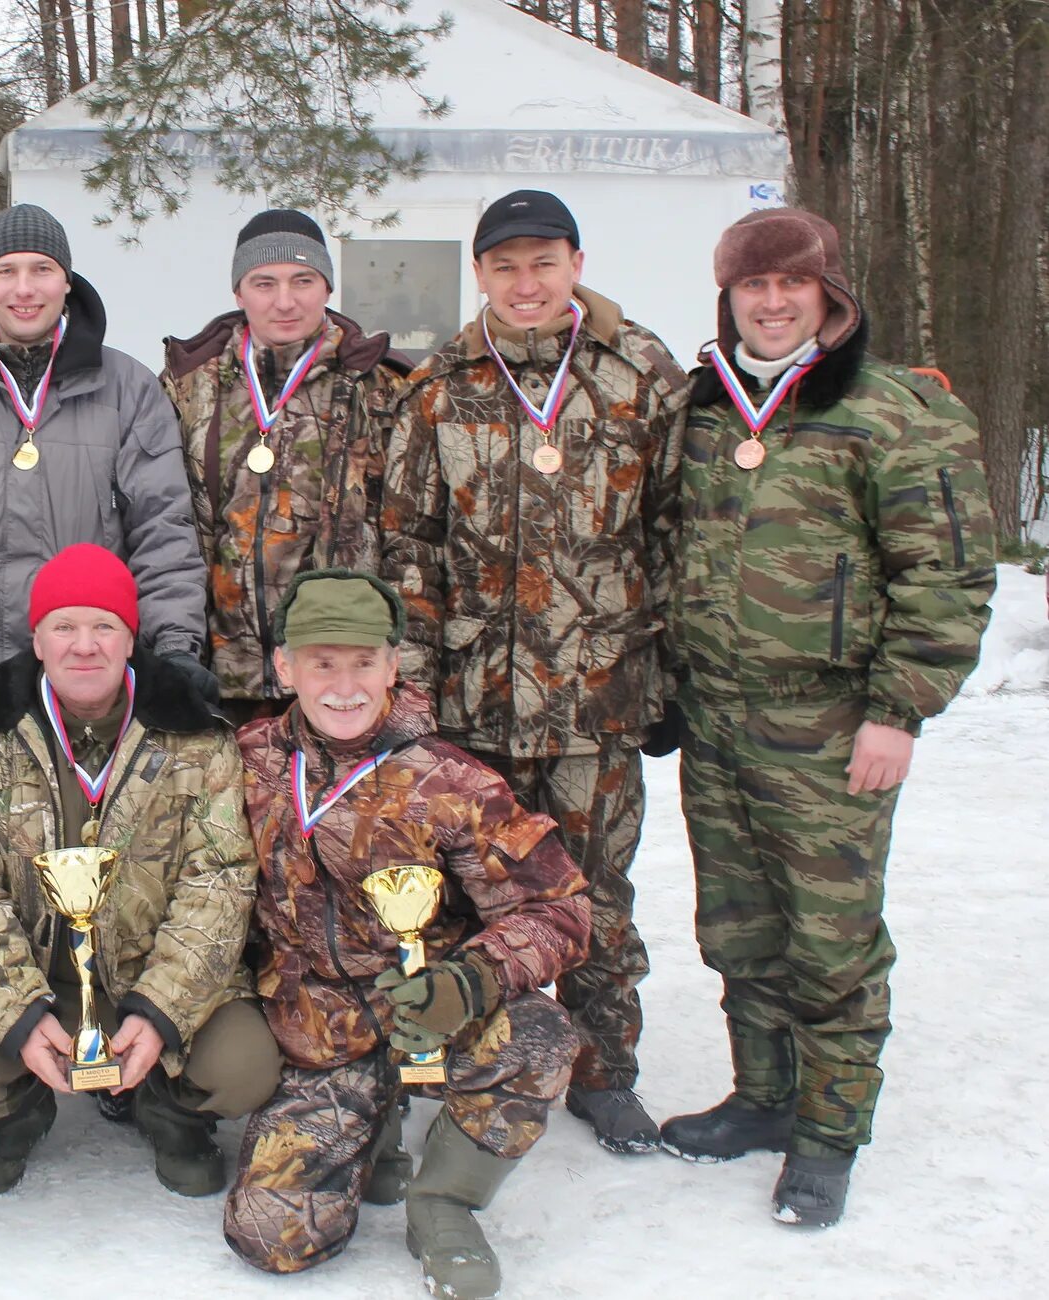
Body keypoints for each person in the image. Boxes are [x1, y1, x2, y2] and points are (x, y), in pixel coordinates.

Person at [663, 207, 995, 1227]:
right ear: (729, 298)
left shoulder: (894, 411)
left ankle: (828, 1131)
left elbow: (946, 577)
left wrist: (899, 710)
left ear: (829, 294)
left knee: (832, 940)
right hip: (718, 719)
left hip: (832, 724)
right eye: (753, 287)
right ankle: (764, 1096)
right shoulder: (705, 410)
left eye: (791, 286)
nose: (771, 304)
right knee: (738, 927)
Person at [383, 189, 687, 1154]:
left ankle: (605, 1070)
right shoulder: (437, 385)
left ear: (577, 265)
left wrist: (667, 674)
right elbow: (409, 548)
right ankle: (478, 1054)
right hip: (474, 704)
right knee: (467, 892)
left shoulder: (641, 373)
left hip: (597, 696)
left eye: (543, 263)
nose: (526, 283)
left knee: (596, 894)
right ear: (479, 274)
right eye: (506, 266)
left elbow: (677, 531)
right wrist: (416, 695)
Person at [224, 570, 589, 1300]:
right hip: (318, 1026)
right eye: (322, 663)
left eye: (364, 662)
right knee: (274, 1239)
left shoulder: (450, 779)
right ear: (285, 668)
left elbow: (562, 909)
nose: (345, 685)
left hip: (431, 1005)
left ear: (394, 666)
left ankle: (445, 1201)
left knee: (539, 1034)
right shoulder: (246, 761)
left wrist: (470, 980)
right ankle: (370, 1120)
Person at [0, 544, 277, 1198]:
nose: (84, 646)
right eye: (64, 627)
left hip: (149, 970)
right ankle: (18, 1115)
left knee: (246, 1067)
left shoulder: (195, 736)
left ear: (130, 637)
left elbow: (220, 879)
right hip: (39, 979)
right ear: (36, 639)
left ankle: (167, 1109)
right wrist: (19, 1014)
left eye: (103, 626)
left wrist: (164, 1009)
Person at [0, 203, 211, 817]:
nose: (24, 289)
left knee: (81, 868)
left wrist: (176, 649)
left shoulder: (127, 388)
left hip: (85, 677)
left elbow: (163, 531)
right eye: (6, 271)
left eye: (42, 269)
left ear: (67, 281)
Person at [161, 209, 412, 724]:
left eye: (303, 281)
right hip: (221, 673)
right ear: (238, 293)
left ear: (326, 287)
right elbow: (166, 523)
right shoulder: (189, 388)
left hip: (339, 675)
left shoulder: (379, 387)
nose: (284, 300)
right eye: (264, 282)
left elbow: (407, 537)